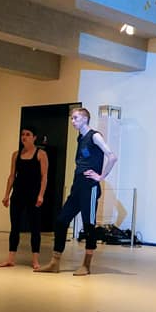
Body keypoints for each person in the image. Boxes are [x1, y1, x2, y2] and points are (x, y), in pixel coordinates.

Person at [36, 108, 117, 276]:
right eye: (71, 118)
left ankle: (86, 265)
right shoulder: (80, 138)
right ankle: (55, 262)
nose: (73, 121)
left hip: (90, 187)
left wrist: (101, 176)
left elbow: (112, 156)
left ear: (85, 118)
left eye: (76, 118)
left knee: (89, 225)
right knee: (61, 221)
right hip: (77, 187)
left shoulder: (95, 136)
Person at [0, 127, 49, 270]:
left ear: (34, 137)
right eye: (23, 134)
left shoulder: (41, 154)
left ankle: (35, 260)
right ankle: (11, 258)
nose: (24, 137)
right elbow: (12, 176)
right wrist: (7, 194)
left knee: (35, 227)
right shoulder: (16, 155)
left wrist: (41, 195)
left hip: (33, 195)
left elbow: (44, 177)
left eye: (28, 134)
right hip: (18, 194)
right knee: (15, 227)